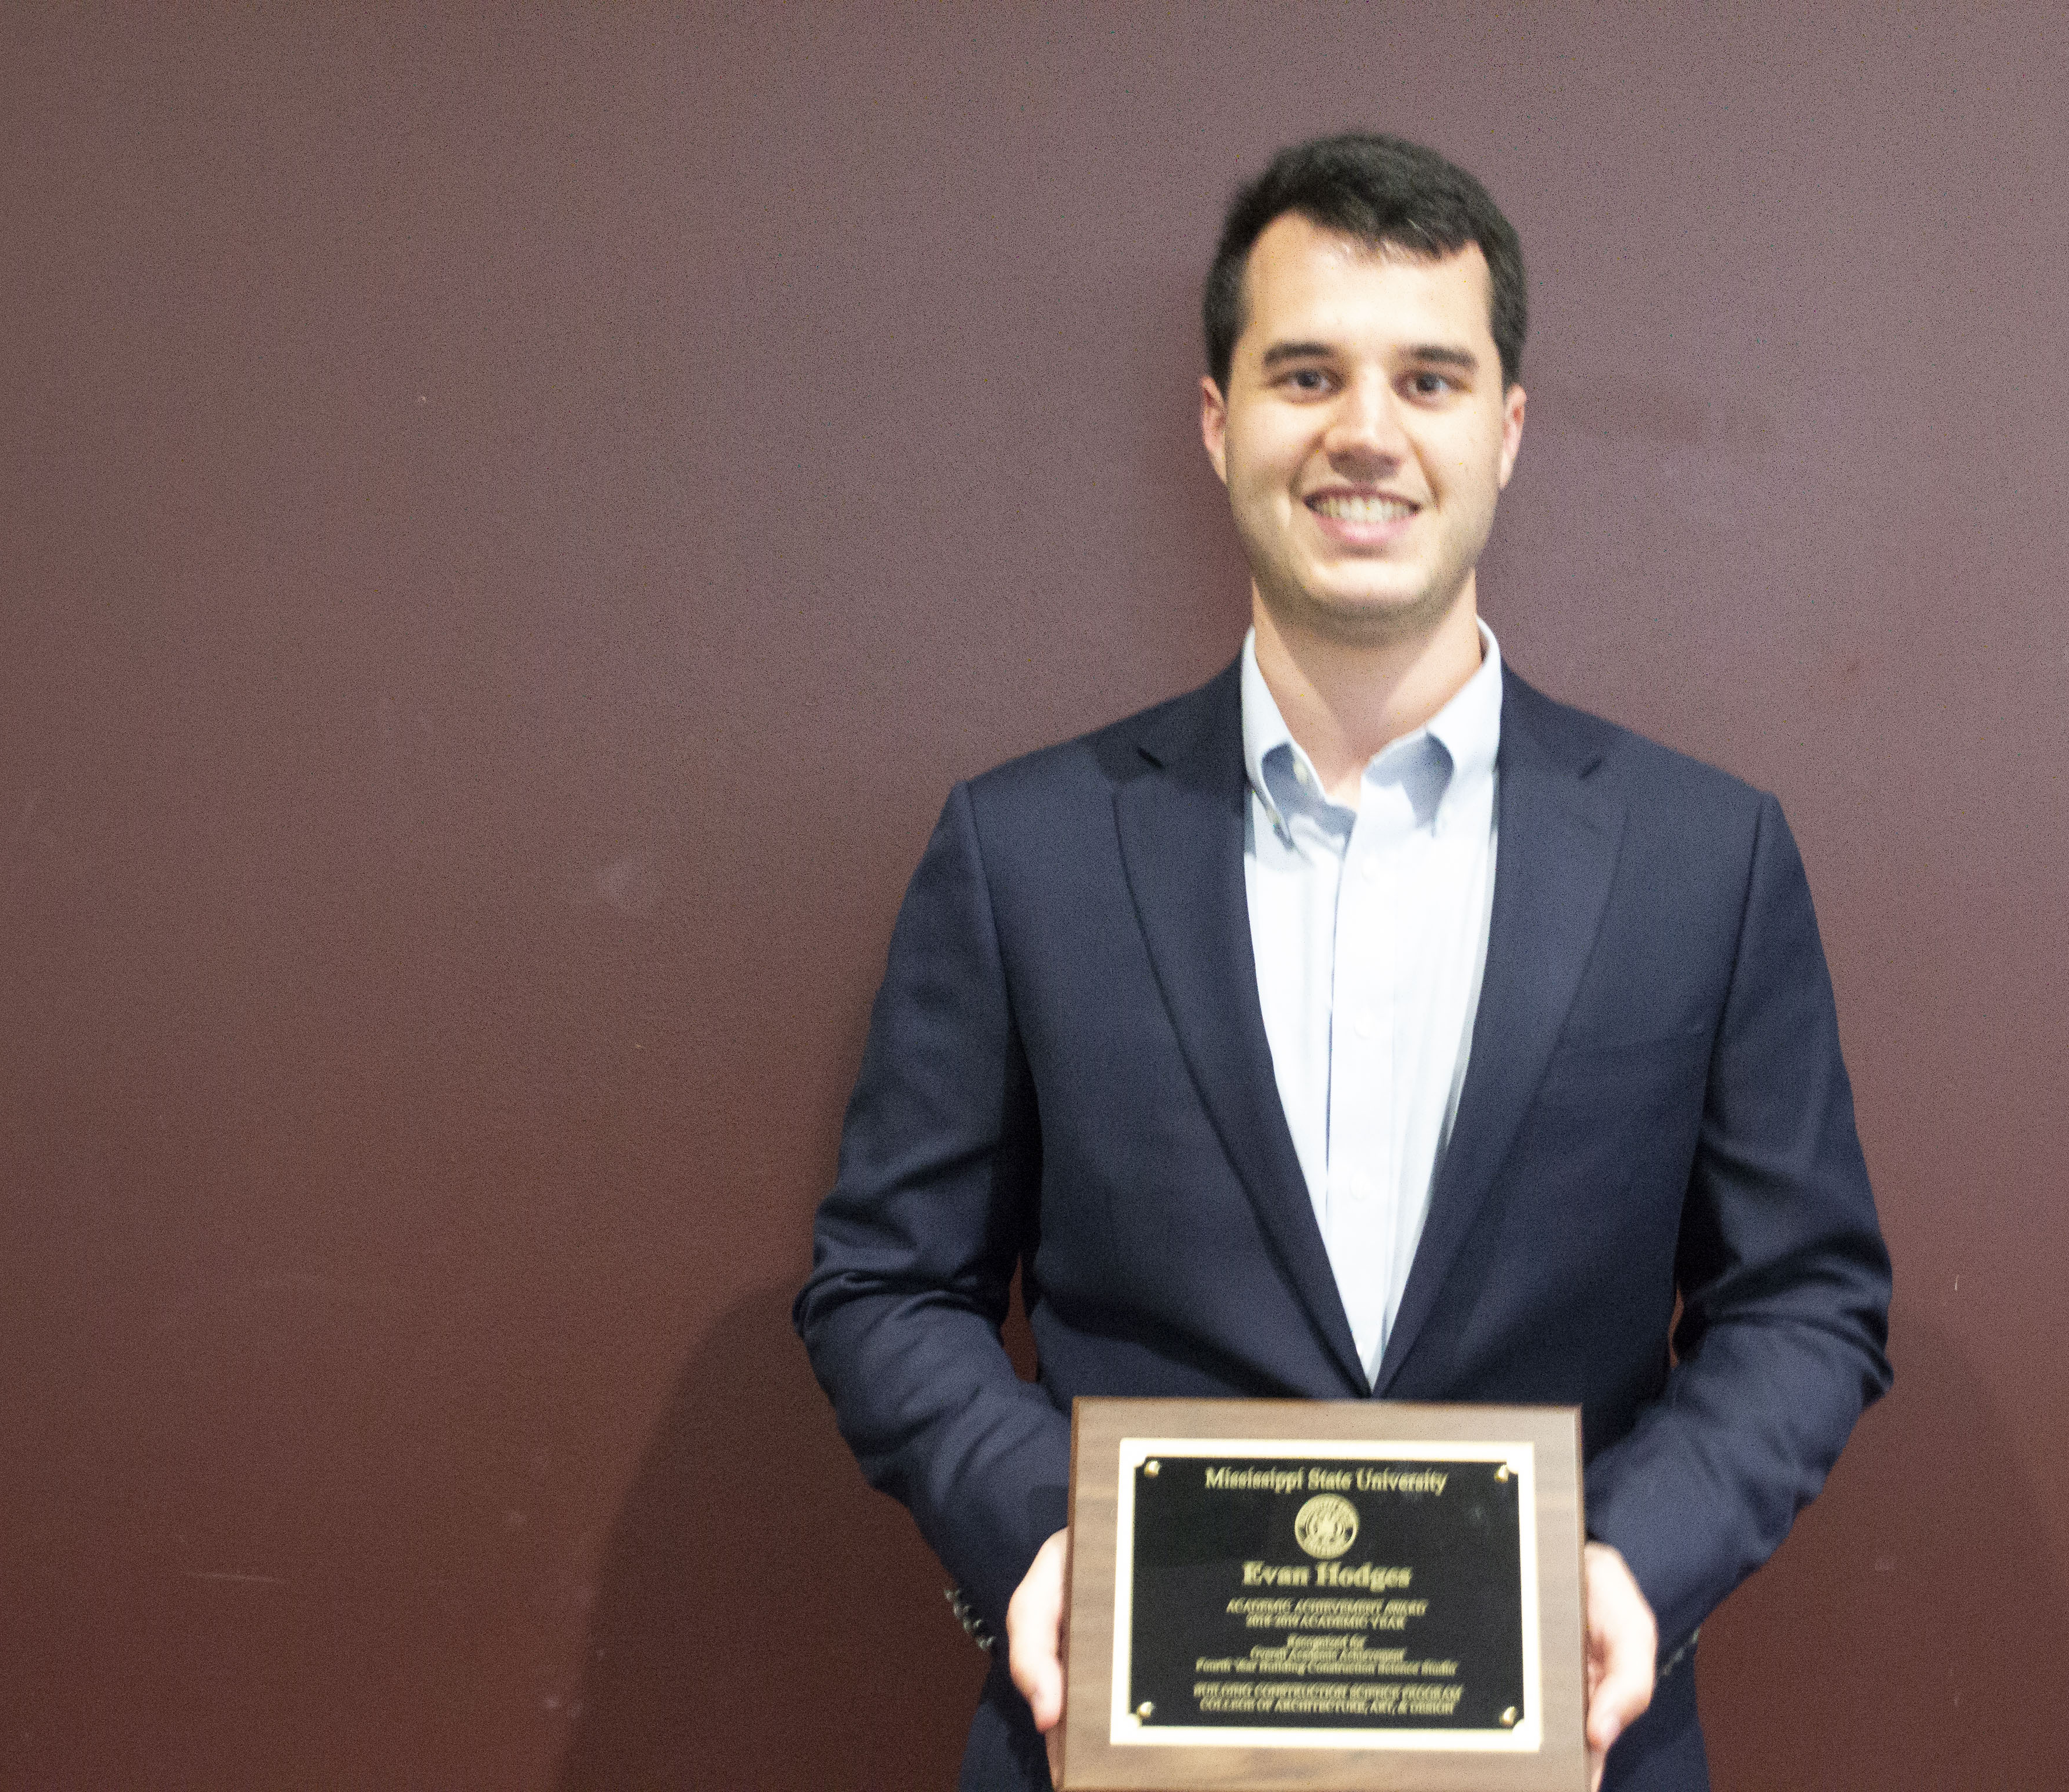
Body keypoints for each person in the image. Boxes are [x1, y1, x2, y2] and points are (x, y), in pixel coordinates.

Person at [794, 132, 1891, 1792]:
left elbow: (1807, 1296)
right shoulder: (1023, 850)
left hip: (1568, 1752)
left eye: (1430, 379)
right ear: (1221, 421)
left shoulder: (1702, 859)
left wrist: (1631, 1569)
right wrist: (1048, 1545)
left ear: (1507, 433)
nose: (1366, 432)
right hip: (1121, 1755)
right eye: (1307, 373)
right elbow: (885, 1282)